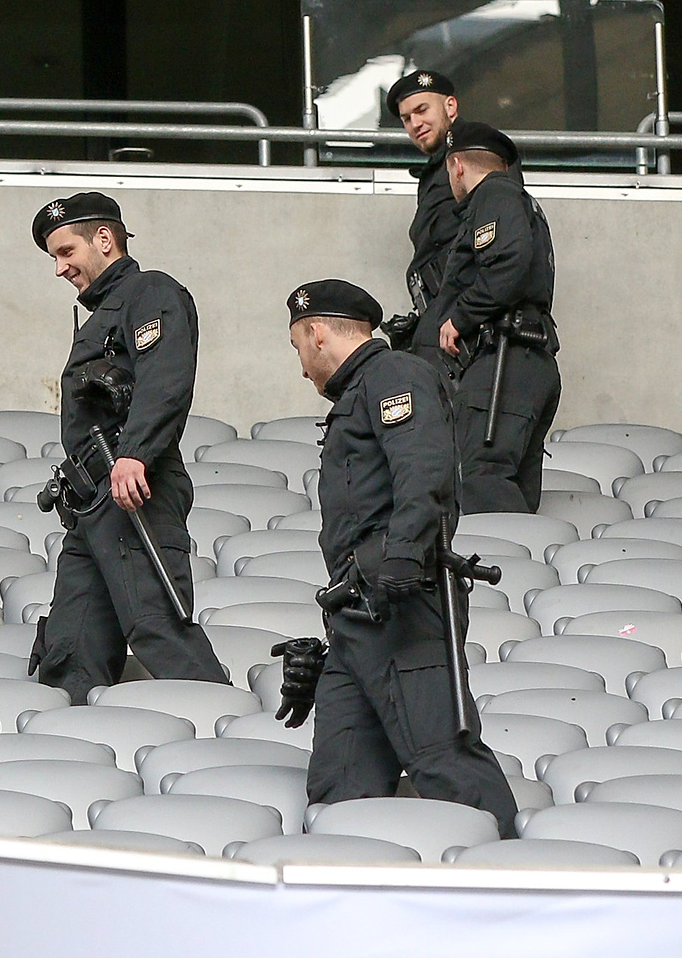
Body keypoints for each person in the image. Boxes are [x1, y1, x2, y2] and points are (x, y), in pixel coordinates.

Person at [275, 279, 516, 838]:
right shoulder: (364, 390)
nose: (302, 368)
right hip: (360, 618)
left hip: (400, 607)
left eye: (298, 351)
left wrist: (400, 562)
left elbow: (424, 468)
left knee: (447, 765)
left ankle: (506, 879)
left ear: (315, 333)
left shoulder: (392, 375)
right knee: (340, 783)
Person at [27, 191, 228, 704]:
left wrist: (136, 452)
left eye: (66, 252)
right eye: (54, 257)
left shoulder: (149, 293)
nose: (59, 268)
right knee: (70, 649)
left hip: (133, 485)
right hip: (92, 500)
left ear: (104, 239)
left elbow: (165, 378)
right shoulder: (102, 316)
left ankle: (227, 729)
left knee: (157, 626)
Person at [431, 122, 561, 514]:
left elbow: (507, 262)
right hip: (525, 358)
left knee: (478, 476)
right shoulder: (517, 200)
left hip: (505, 358)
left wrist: (460, 317)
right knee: (509, 485)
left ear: (456, 165)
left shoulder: (495, 195)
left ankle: (508, 573)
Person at [380, 69, 463, 382]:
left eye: (422, 110)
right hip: (440, 312)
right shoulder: (434, 169)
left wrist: (465, 314)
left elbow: (496, 241)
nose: (415, 124)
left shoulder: (474, 151)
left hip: (459, 317)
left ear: (450, 107)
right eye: (406, 118)